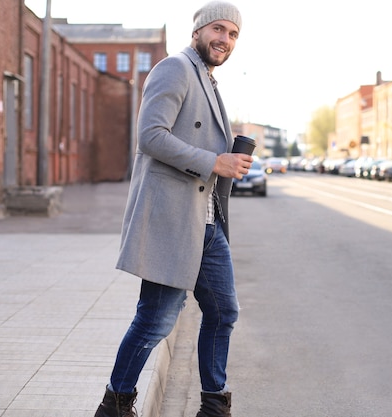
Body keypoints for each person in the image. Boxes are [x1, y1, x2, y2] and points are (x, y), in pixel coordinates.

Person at [93, 2, 251, 416]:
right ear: (199, 30)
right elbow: (150, 136)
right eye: (218, 29)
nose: (225, 40)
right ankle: (116, 403)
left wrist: (228, 160)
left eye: (233, 34)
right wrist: (213, 161)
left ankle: (214, 405)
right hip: (174, 220)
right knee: (156, 321)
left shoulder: (209, 81)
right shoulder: (174, 68)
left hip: (207, 222)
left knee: (223, 312)